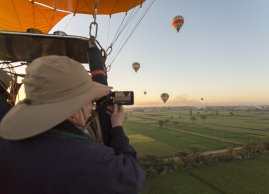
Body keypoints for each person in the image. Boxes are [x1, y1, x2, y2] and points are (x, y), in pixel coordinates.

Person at [0, 55, 145, 194]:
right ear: (74, 112)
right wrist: (118, 129)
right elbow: (132, 179)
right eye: (90, 102)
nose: (91, 109)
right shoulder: (91, 160)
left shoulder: (7, 146)